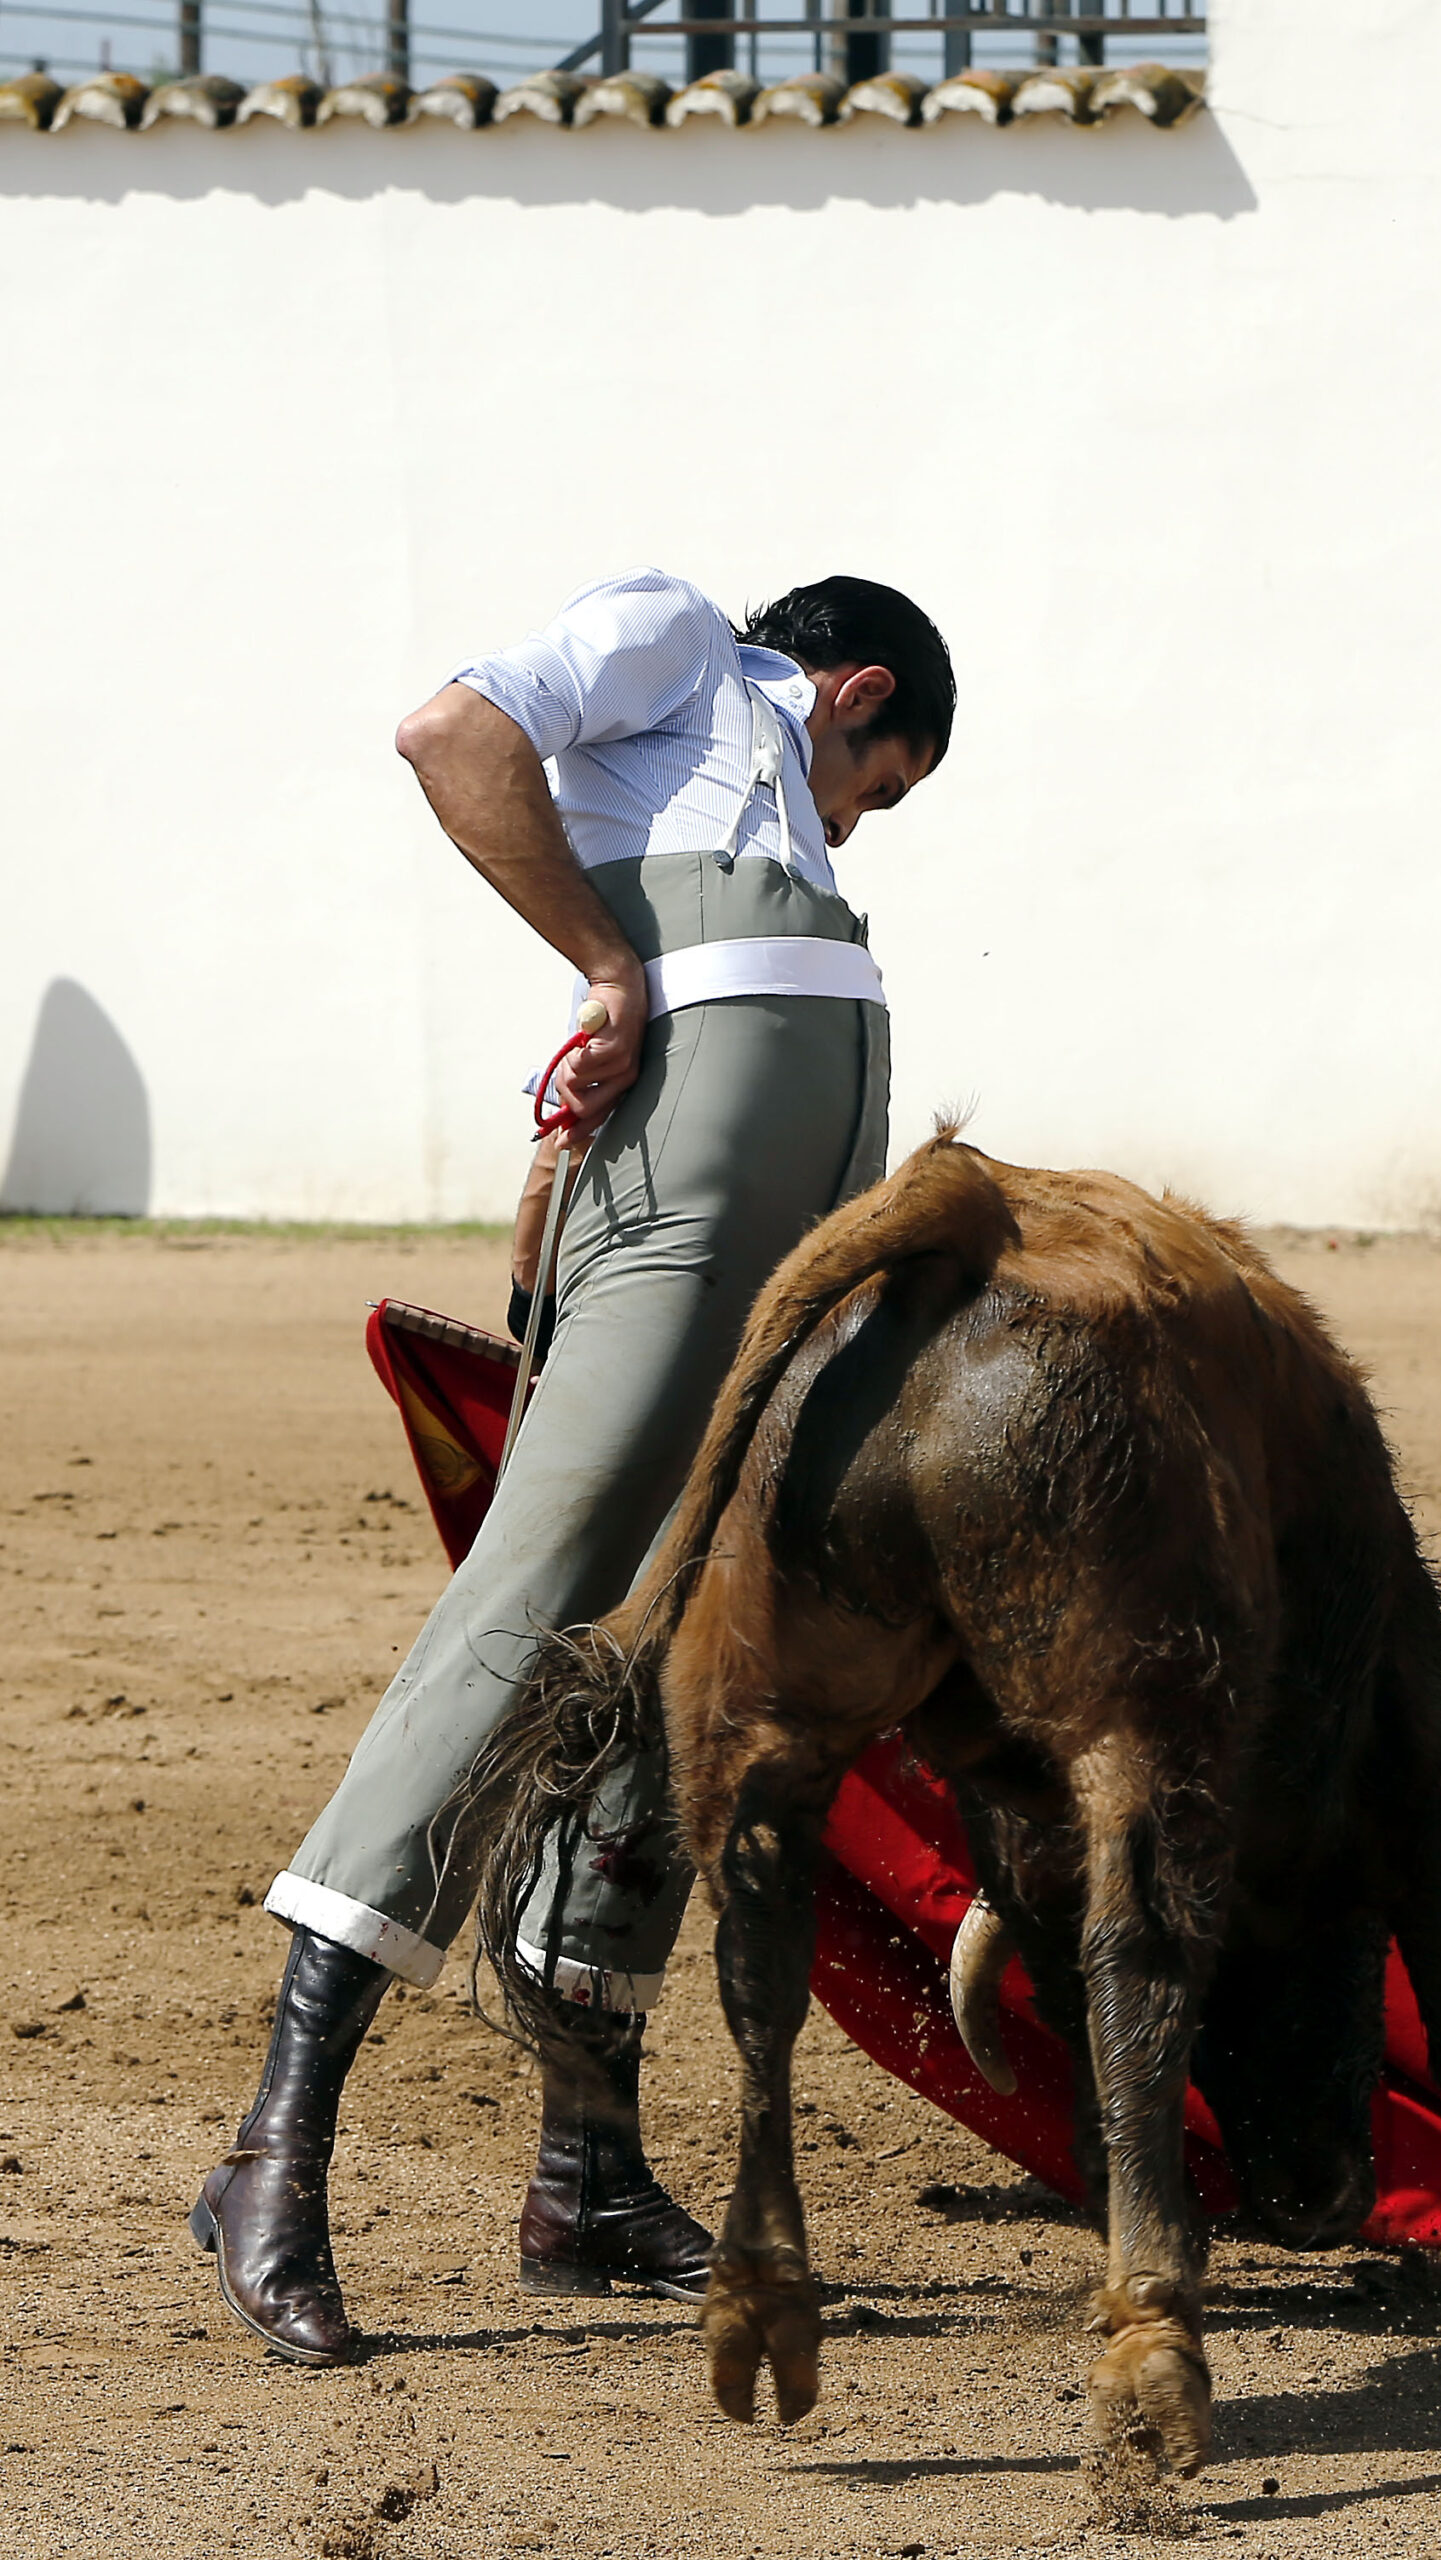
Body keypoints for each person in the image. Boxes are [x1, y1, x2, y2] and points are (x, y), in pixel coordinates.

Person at [191, 566, 954, 2366]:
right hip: (683, 1223)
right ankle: (272, 2147)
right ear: (849, 692)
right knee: (534, 1605)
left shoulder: (757, 794)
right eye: (882, 785)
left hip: (787, 1248)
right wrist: (606, 966)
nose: (861, 827)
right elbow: (450, 728)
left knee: (687, 1641)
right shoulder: (684, 641)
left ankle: (588, 2176)